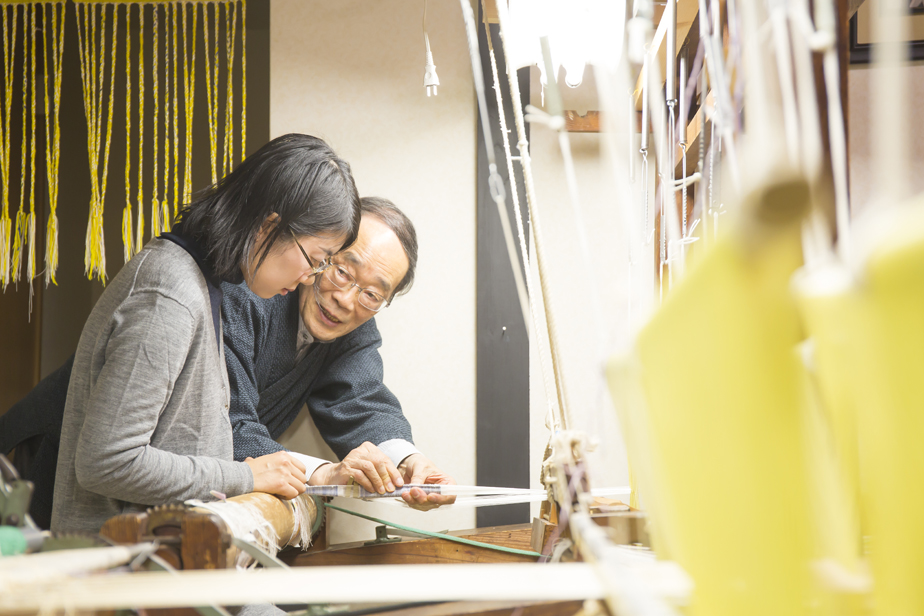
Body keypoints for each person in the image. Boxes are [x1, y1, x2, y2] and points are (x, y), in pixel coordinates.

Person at [50, 134, 361, 534]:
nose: (309, 279)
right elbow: (108, 462)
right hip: (127, 574)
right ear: (270, 226)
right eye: (314, 261)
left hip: (170, 562)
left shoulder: (202, 283)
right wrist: (245, 478)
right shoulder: (170, 293)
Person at [224, 196, 455, 510]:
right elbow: (224, 424)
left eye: (372, 294)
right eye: (344, 272)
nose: (347, 301)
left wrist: (408, 463)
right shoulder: (250, 291)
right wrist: (323, 474)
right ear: (322, 252)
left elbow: (360, 400)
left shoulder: (354, 329)